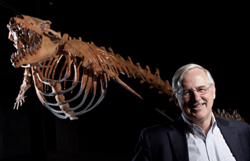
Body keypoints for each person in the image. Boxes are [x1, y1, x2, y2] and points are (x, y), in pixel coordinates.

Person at [132, 63, 250, 161]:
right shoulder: (154, 139)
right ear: (176, 100)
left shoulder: (243, 131)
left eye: (201, 89)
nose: (197, 98)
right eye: (186, 92)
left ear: (213, 91)